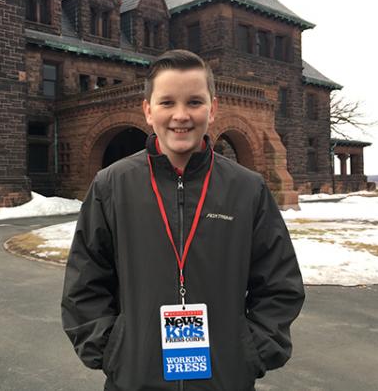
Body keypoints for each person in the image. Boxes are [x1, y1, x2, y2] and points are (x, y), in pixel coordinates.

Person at [61, 50, 305, 391]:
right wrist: (115, 349)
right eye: (166, 103)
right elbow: (84, 283)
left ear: (213, 108)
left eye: (194, 102)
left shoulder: (248, 189)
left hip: (224, 379)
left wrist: (250, 350)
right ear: (147, 111)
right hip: (136, 378)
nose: (180, 116)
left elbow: (280, 284)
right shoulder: (111, 185)